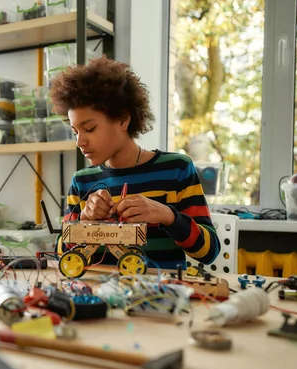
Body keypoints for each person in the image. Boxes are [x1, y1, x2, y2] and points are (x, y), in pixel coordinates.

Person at [49, 56, 221, 270]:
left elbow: (209, 252)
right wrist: (83, 220)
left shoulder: (176, 170)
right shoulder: (83, 181)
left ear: (122, 119)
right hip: (100, 297)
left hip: (160, 298)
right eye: (75, 132)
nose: (79, 141)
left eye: (90, 129)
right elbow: (60, 256)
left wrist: (167, 216)